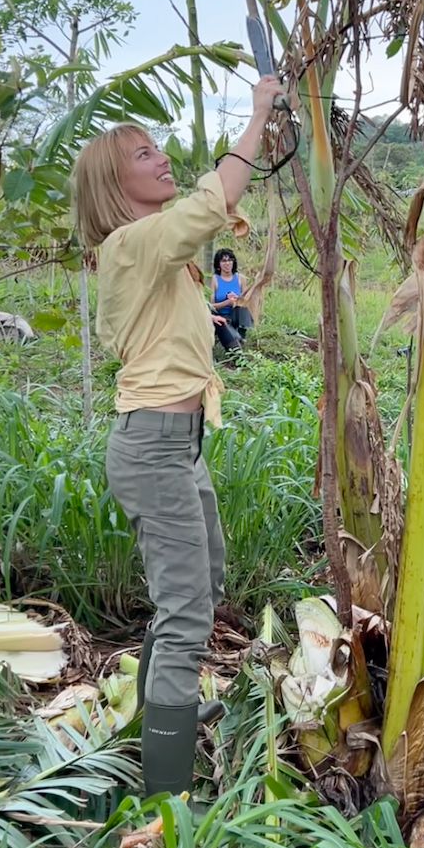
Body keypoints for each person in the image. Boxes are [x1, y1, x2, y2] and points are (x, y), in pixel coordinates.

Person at [71, 72, 282, 798]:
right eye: (144, 155)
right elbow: (212, 201)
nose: (161, 158)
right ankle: (164, 793)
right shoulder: (131, 244)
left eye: (159, 148)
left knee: (206, 580)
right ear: (112, 182)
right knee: (187, 608)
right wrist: (258, 114)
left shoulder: (155, 249)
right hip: (154, 445)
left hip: (178, 442)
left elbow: (210, 212)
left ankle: (166, 712)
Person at [210, 247, 250, 352]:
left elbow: (246, 300)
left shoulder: (240, 278)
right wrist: (227, 302)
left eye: (229, 260)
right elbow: (211, 305)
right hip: (220, 315)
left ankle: (242, 333)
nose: (227, 263)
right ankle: (234, 343)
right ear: (218, 264)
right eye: (224, 261)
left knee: (244, 306)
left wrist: (236, 300)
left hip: (236, 313)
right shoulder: (214, 279)